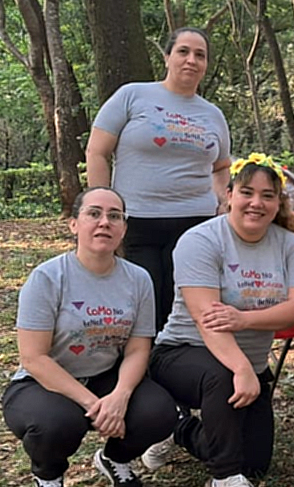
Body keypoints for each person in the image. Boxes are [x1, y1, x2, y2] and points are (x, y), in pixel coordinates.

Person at [2, 187, 179, 487]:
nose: (104, 223)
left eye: (115, 216)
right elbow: (34, 358)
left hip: (107, 374)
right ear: (74, 224)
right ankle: (49, 477)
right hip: (46, 380)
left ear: (124, 228)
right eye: (94, 213)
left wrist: (120, 396)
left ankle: (115, 459)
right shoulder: (47, 278)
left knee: (159, 412)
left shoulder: (138, 279)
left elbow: (139, 347)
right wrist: (93, 404)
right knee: (56, 423)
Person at [147, 153, 294, 487]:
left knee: (257, 463)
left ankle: (179, 428)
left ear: (278, 201)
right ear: (230, 194)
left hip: (246, 361)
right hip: (181, 351)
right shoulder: (199, 240)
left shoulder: (290, 244)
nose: (256, 203)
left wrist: (245, 321)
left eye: (268, 195)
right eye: (247, 192)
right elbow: (209, 320)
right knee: (220, 377)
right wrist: (240, 369)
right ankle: (224, 479)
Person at [86, 27, 232, 332]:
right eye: (183, 51)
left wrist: (223, 203)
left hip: (197, 224)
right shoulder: (132, 95)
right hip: (139, 222)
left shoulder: (213, 115)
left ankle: (181, 370)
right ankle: (140, 372)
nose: (191, 60)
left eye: (200, 55)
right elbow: (97, 152)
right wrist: (103, 209)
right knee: (145, 303)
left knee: (187, 307)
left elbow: (220, 168)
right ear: (167, 57)